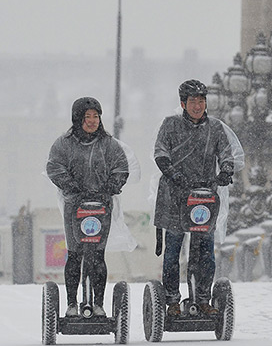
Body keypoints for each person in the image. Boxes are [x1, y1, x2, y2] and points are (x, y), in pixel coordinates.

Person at [153, 79, 244, 317]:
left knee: (204, 250)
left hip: (204, 196)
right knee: (173, 250)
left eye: (201, 101)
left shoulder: (215, 128)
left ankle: (203, 297)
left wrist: (225, 171)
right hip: (174, 196)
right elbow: (160, 153)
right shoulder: (170, 125)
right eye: (192, 101)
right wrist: (174, 174)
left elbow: (226, 153)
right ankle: (172, 299)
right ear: (183, 103)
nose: (197, 106)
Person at [46, 97, 138, 317]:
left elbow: (120, 167)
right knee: (75, 254)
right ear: (78, 118)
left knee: (97, 255)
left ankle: (98, 303)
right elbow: (54, 166)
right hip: (74, 206)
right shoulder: (64, 144)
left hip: (101, 206)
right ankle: (71, 303)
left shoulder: (109, 144)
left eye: (96, 116)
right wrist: (72, 188)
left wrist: (110, 188)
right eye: (87, 117)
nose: (92, 121)